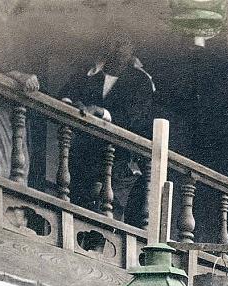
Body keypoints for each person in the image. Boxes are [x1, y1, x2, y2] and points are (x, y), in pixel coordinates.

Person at [58, 32, 157, 225]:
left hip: (119, 160)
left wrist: (102, 112)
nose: (118, 49)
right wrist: (71, 104)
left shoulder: (140, 80)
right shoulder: (91, 73)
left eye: (124, 44)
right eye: (114, 43)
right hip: (84, 156)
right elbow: (66, 94)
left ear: (132, 49)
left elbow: (134, 118)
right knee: (78, 208)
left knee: (108, 215)